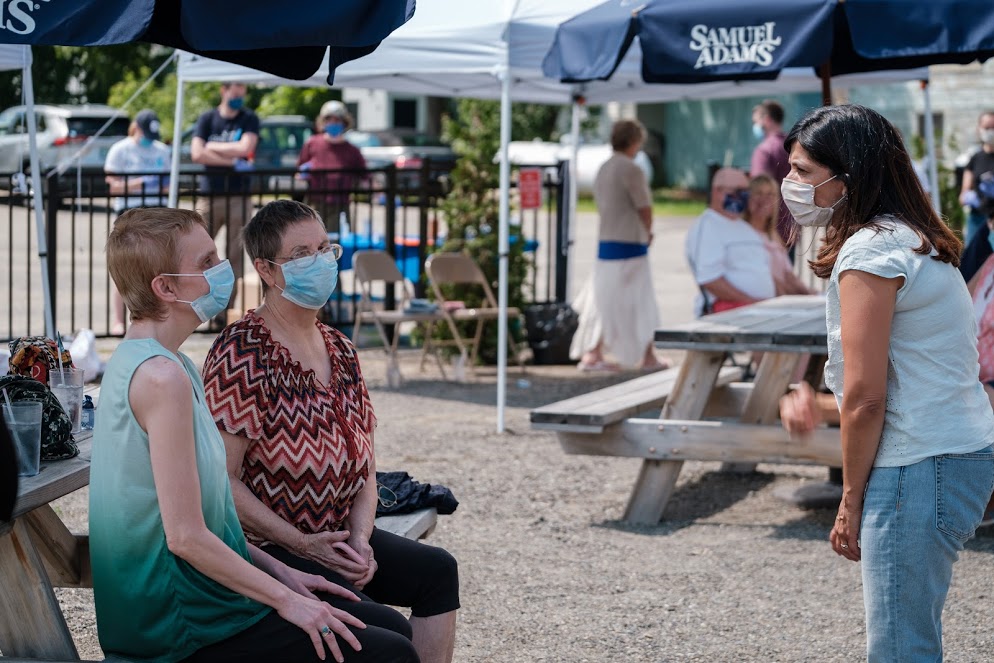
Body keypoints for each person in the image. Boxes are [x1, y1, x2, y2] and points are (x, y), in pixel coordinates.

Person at [89, 207, 417, 663]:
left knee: (389, 629)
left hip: (206, 594)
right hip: (182, 620)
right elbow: (185, 537)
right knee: (389, 651)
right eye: (206, 262)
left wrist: (284, 573)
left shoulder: (168, 362)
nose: (223, 269)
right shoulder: (162, 378)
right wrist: (288, 600)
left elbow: (212, 521)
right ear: (165, 288)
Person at [777, 104, 994, 662]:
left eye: (803, 171)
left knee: (901, 649)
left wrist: (849, 499)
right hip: (952, 452)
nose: (790, 184)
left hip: (917, 465)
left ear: (848, 177)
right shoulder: (911, 237)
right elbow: (901, 382)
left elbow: (867, 396)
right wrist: (822, 407)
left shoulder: (872, 250)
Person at [201, 200, 458, 663]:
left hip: (337, 534)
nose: (319, 262)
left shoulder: (339, 346)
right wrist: (302, 544)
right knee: (389, 635)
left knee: (438, 571)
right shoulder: (242, 352)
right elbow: (221, 480)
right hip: (271, 546)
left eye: (324, 248)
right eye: (301, 254)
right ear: (267, 270)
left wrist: (360, 538)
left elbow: (365, 463)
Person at [570, 119, 668, 372]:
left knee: (603, 299)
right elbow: (644, 207)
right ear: (634, 141)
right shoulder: (631, 169)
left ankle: (595, 350)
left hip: (607, 244)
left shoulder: (603, 168)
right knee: (640, 301)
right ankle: (645, 354)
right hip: (630, 244)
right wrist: (648, 232)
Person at [191, 81, 260, 316]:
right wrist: (232, 161)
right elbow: (197, 153)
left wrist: (212, 147)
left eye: (243, 90)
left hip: (239, 196)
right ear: (224, 90)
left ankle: (225, 311)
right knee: (195, 251)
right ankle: (196, 304)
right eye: (235, 90)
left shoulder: (249, 118)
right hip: (210, 194)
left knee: (235, 256)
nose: (239, 95)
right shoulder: (207, 118)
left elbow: (245, 148)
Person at [104, 109, 171, 334]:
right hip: (129, 211)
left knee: (157, 267)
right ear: (138, 128)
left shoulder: (162, 150)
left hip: (156, 211)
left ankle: (154, 318)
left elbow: (168, 185)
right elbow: (113, 187)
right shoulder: (120, 149)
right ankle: (118, 320)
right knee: (124, 265)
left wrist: (158, 186)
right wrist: (139, 183)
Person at [685, 167, 775, 316]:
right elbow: (710, 280)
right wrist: (751, 303)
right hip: (731, 314)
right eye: (737, 191)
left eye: (746, 191)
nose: (743, 196)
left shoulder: (745, 227)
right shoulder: (708, 226)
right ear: (717, 191)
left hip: (757, 312)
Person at [297, 100, 367, 235]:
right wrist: (303, 174)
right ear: (323, 122)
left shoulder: (352, 150)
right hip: (315, 203)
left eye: (337, 120)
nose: (333, 123)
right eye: (329, 119)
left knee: (335, 241)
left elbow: (365, 176)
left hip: (340, 204)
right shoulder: (312, 143)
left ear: (344, 122)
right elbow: (299, 171)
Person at [743, 174, 815, 296]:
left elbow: (788, 275)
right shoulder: (743, 234)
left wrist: (810, 294)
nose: (764, 199)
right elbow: (768, 278)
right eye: (758, 193)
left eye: (770, 194)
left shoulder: (773, 235)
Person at [750, 99, 792, 246]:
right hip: (792, 224)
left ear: (767, 120)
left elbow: (759, 190)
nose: (755, 126)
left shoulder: (764, 150)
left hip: (769, 228)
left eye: (756, 121)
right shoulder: (793, 145)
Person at [958, 111, 994, 246]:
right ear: (979, 129)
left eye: (993, 128)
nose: (990, 132)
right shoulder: (975, 158)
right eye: (987, 128)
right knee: (974, 257)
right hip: (978, 219)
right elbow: (963, 196)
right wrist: (970, 198)